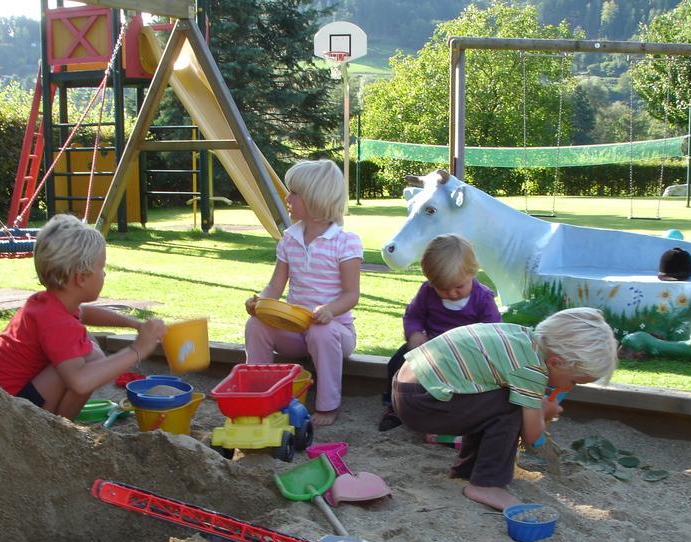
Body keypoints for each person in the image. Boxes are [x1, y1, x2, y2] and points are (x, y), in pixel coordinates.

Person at [391, 308, 618, 511]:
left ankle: (468, 471)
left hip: (408, 386)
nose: (569, 388)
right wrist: (542, 411)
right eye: (574, 382)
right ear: (555, 362)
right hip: (422, 401)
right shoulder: (531, 368)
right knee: (511, 405)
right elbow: (532, 435)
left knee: (494, 403)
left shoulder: (523, 337)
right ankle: (486, 484)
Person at [0, 213, 166, 419]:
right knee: (86, 364)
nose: (104, 274)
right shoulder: (58, 322)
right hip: (7, 412)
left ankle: (59, 425)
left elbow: (85, 313)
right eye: (101, 268)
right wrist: (138, 349)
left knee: (88, 350)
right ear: (81, 278)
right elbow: (80, 382)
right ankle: (60, 429)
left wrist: (134, 324)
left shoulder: (47, 303)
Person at [245, 159, 362, 427]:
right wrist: (260, 303)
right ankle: (258, 392)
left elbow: (351, 294)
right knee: (256, 325)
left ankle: (328, 404)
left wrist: (330, 311)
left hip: (335, 332)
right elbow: (276, 286)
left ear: (314, 199)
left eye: (294, 193)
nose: (287, 198)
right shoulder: (289, 238)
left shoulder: (345, 242)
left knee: (322, 331)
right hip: (294, 330)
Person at [379, 234, 501, 431]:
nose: (452, 293)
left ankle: (462, 414)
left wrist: (480, 350)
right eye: (443, 289)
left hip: (466, 352)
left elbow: (493, 330)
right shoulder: (427, 292)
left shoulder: (483, 298)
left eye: (459, 287)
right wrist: (415, 334)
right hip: (430, 346)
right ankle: (393, 406)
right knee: (397, 363)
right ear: (431, 282)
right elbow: (413, 316)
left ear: (473, 272)